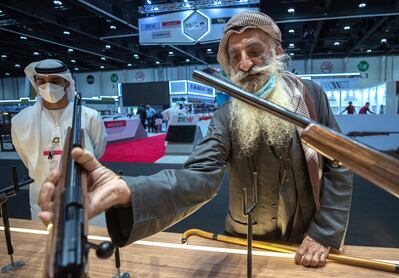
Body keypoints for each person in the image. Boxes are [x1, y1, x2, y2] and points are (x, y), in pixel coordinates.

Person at [38, 12, 353, 268]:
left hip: (309, 238)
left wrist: (324, 232)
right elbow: (198, 178)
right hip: (244, 240)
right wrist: (127, 190)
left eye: (255, 51)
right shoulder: (226, 116)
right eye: (235, 57)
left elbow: (339, 164)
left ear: (278, 52)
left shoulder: (312, 97)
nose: (245, 63)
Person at [11, 59, 107, 219]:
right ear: (35, 83)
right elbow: (26, 158)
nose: (48, 86)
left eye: (55, 80)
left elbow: (97, 150)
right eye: (41, 81)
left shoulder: (89, 116)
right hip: (43, 198)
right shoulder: (20, 121)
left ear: (66, 82)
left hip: (85, 197)